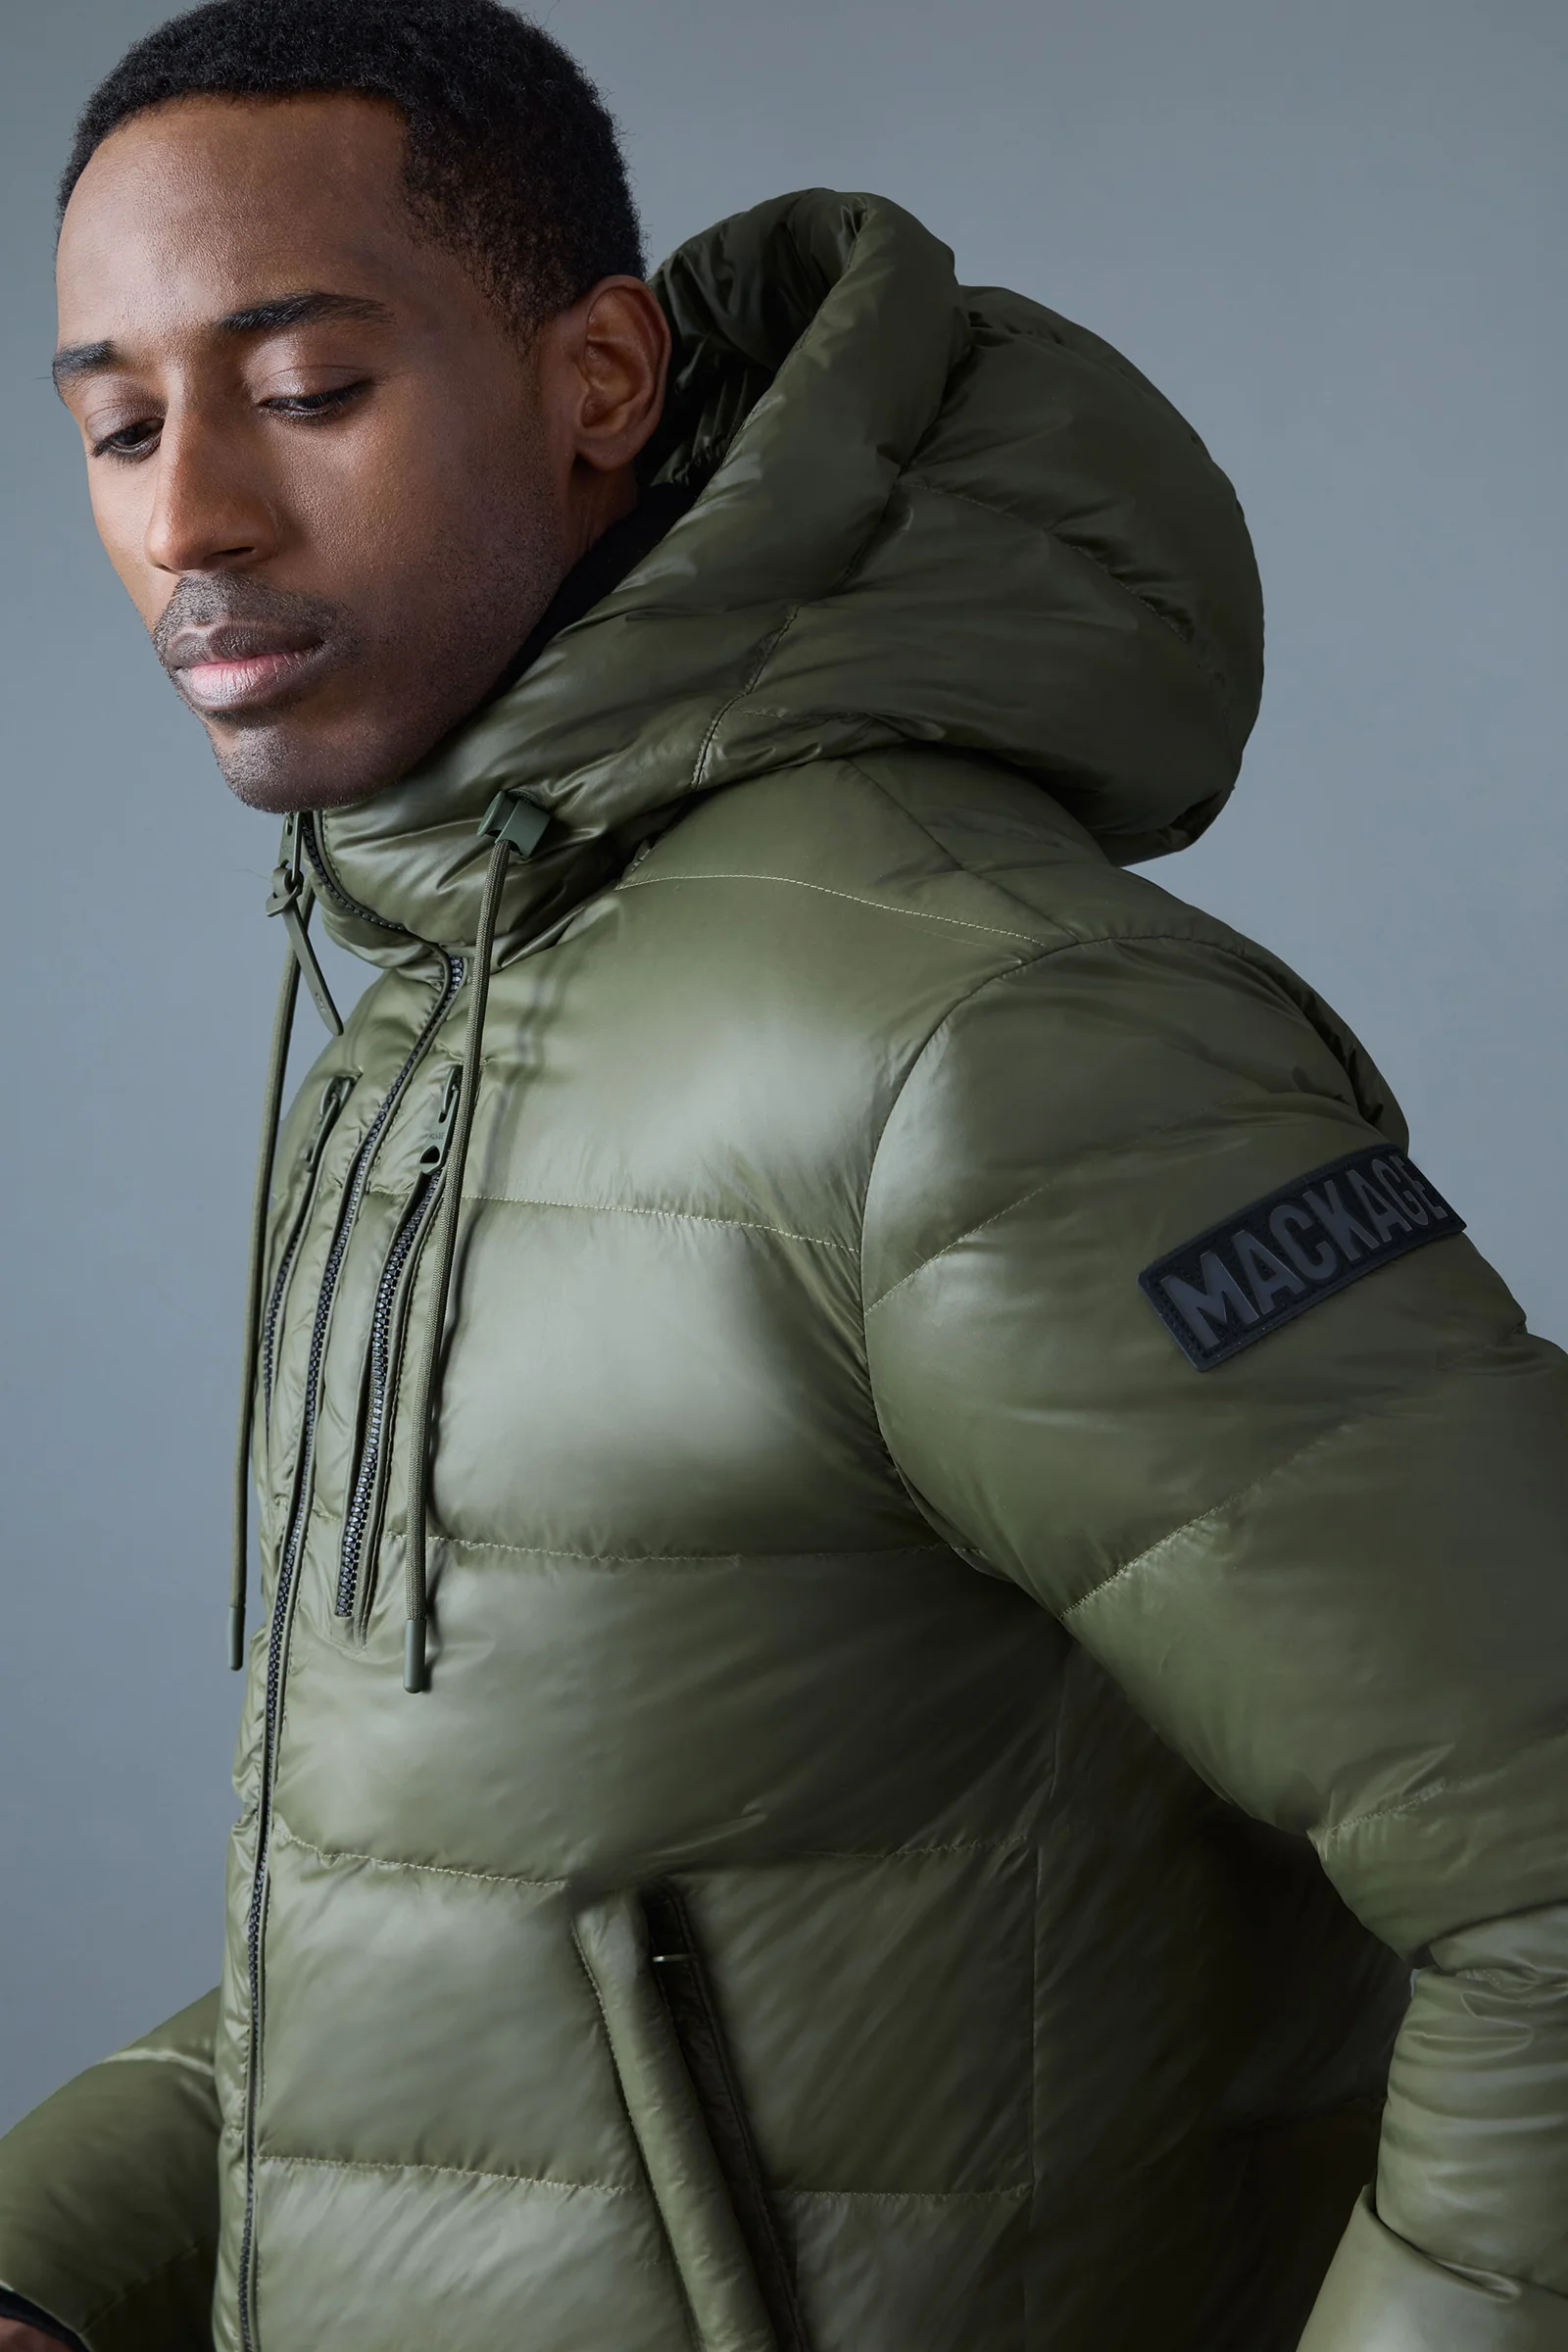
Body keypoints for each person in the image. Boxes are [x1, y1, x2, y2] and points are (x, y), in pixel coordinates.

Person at [3, 0, 1565, 2344]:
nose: (186, 521)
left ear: (597, 378)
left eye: (305, 389)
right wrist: (51, 2254)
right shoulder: (445, 1013)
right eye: (118, 425)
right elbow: (487, 1929)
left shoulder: (972, 1039)